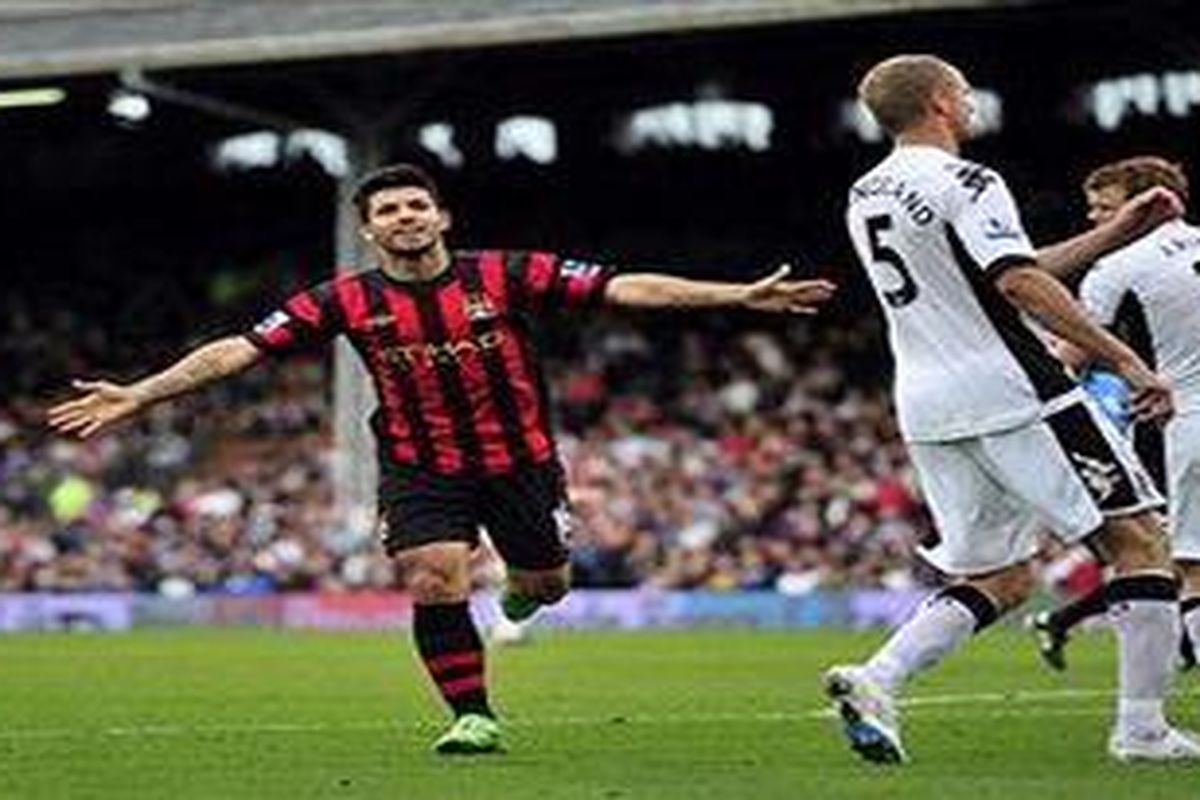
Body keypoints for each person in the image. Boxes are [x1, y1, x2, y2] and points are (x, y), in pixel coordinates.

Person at [46, 163, 836, 755]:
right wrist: (141, 394)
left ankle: (524, 600)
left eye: (416, 205)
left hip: (522, 463)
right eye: (387, 210)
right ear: (369, 230)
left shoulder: (506, 272)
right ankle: (474, 715)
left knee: (547, 583)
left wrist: (734, 294)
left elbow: (625, 288)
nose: (405, 217)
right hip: (422, 468)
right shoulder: (342, 300)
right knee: (433, 576)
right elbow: (240, 350)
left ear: (441, 216)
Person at [825, 54, 1198, 765]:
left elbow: (996, 272)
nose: (970, 103)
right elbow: (1018, 283)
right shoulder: (970, 179)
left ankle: (877, 678)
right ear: (939, 101)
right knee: (1140, 543)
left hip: (928, 403)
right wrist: (1122, 359)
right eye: (963, 92)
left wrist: (1116, 233)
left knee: (1001, 577)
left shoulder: (865, 192)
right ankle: (1143, 729)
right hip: (1017, 392)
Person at [1029, 156, 1199, 672]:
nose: (1093, 220)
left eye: (1104, 208)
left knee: (1191, 571)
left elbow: (1069, 361)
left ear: (1143, 207)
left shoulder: (1117, 268)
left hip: (1191, 417)